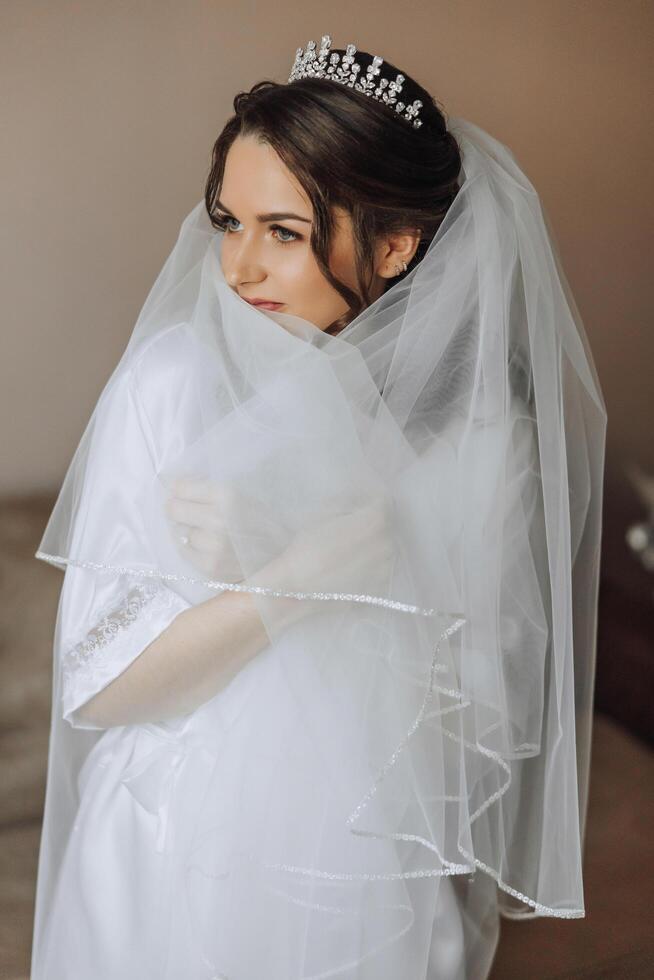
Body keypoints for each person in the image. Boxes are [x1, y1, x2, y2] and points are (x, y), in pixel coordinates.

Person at [30, 34, 606, 980]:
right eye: (230, 221)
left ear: (396, 242)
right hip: (174, 858)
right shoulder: (174, 383)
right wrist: (301, 577)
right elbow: (99, 680)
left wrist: (378, 566)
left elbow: (483, 731)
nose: (239, 267)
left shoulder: (484, 440)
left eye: (285, 232)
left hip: (376, 873)